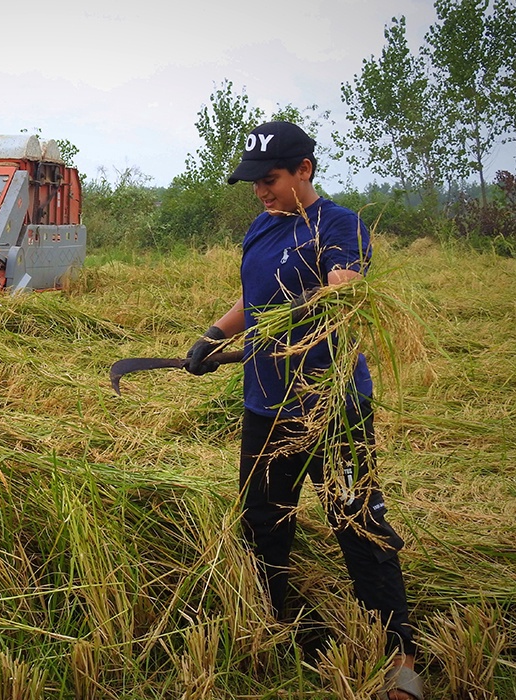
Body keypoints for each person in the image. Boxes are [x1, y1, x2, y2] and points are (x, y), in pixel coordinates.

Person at [184, 121, 422, 700]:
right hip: (265, 403)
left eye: (270, 180)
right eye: (254, 183)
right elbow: (254, 295)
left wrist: (329, 291)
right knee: (264, 521)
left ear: (304, 171)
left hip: (330, 408)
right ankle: (270, 623)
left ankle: (401, 658)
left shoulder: (337, 225)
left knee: (357, 521)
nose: (261, 192)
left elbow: (345, 281)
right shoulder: (262, 227)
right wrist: (216, 334)